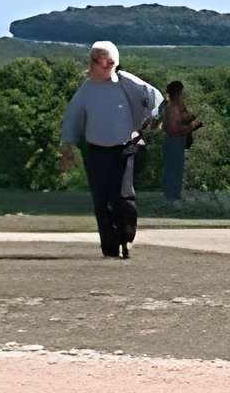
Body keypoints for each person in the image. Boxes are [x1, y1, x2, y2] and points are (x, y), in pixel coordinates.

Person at [54, 43, 164, 259]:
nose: (104, 66)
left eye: (109, 62)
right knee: (102, 199)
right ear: (92, 62)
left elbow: (154, 99)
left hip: (124, 148)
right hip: (95, 151)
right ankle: (110, 247)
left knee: (124, 196)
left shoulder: (126, 83)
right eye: (100, 61)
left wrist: (153, 121)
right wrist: (67, 146)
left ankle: (127, 237)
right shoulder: (87, 89)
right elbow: (73, 117)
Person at [155, 80, 202, 204]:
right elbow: (174, 129)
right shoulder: (173, 108)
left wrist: (190, 117)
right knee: (174, 169)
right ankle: (172, 197)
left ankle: (170, 195)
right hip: (174, 141)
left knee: (172, 168)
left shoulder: (171, 106)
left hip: (172, 141)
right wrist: (192, 125)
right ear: (178, 93)